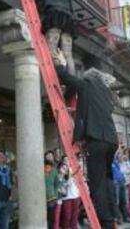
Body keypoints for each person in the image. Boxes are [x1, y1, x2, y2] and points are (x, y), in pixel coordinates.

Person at [53, 50, 119, 229]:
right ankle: (113, 214)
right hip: (112, 141)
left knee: (97, 184)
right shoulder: (105, 92)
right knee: (107, 178)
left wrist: (61, 63)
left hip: (97, 140)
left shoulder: (86, 84)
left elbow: (66, 77)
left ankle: (104, 221)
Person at [14, 0, 77, 74]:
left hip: (55, 16)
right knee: (68, 54)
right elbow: (72, 12)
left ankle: (54, 75)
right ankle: (72, 84)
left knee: (51, 48)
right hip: (69, 21)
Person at [61, 164, 80, 229]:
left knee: (75, 216)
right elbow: (62, 186)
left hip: (76, 196)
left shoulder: (76, 174)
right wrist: (68, 179)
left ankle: (74, 227)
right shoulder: (62, 175)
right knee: (67, 216)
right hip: (67, 198)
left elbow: (80, 185)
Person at [45, 152, 59, 229]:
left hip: (51, 198)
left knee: (51, 219)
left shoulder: (54, 170)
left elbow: (57, 184)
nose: (50, 158)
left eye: (51, 156)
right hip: (41, 199)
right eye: (48, 156)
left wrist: (55, 195)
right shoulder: (40, 169)